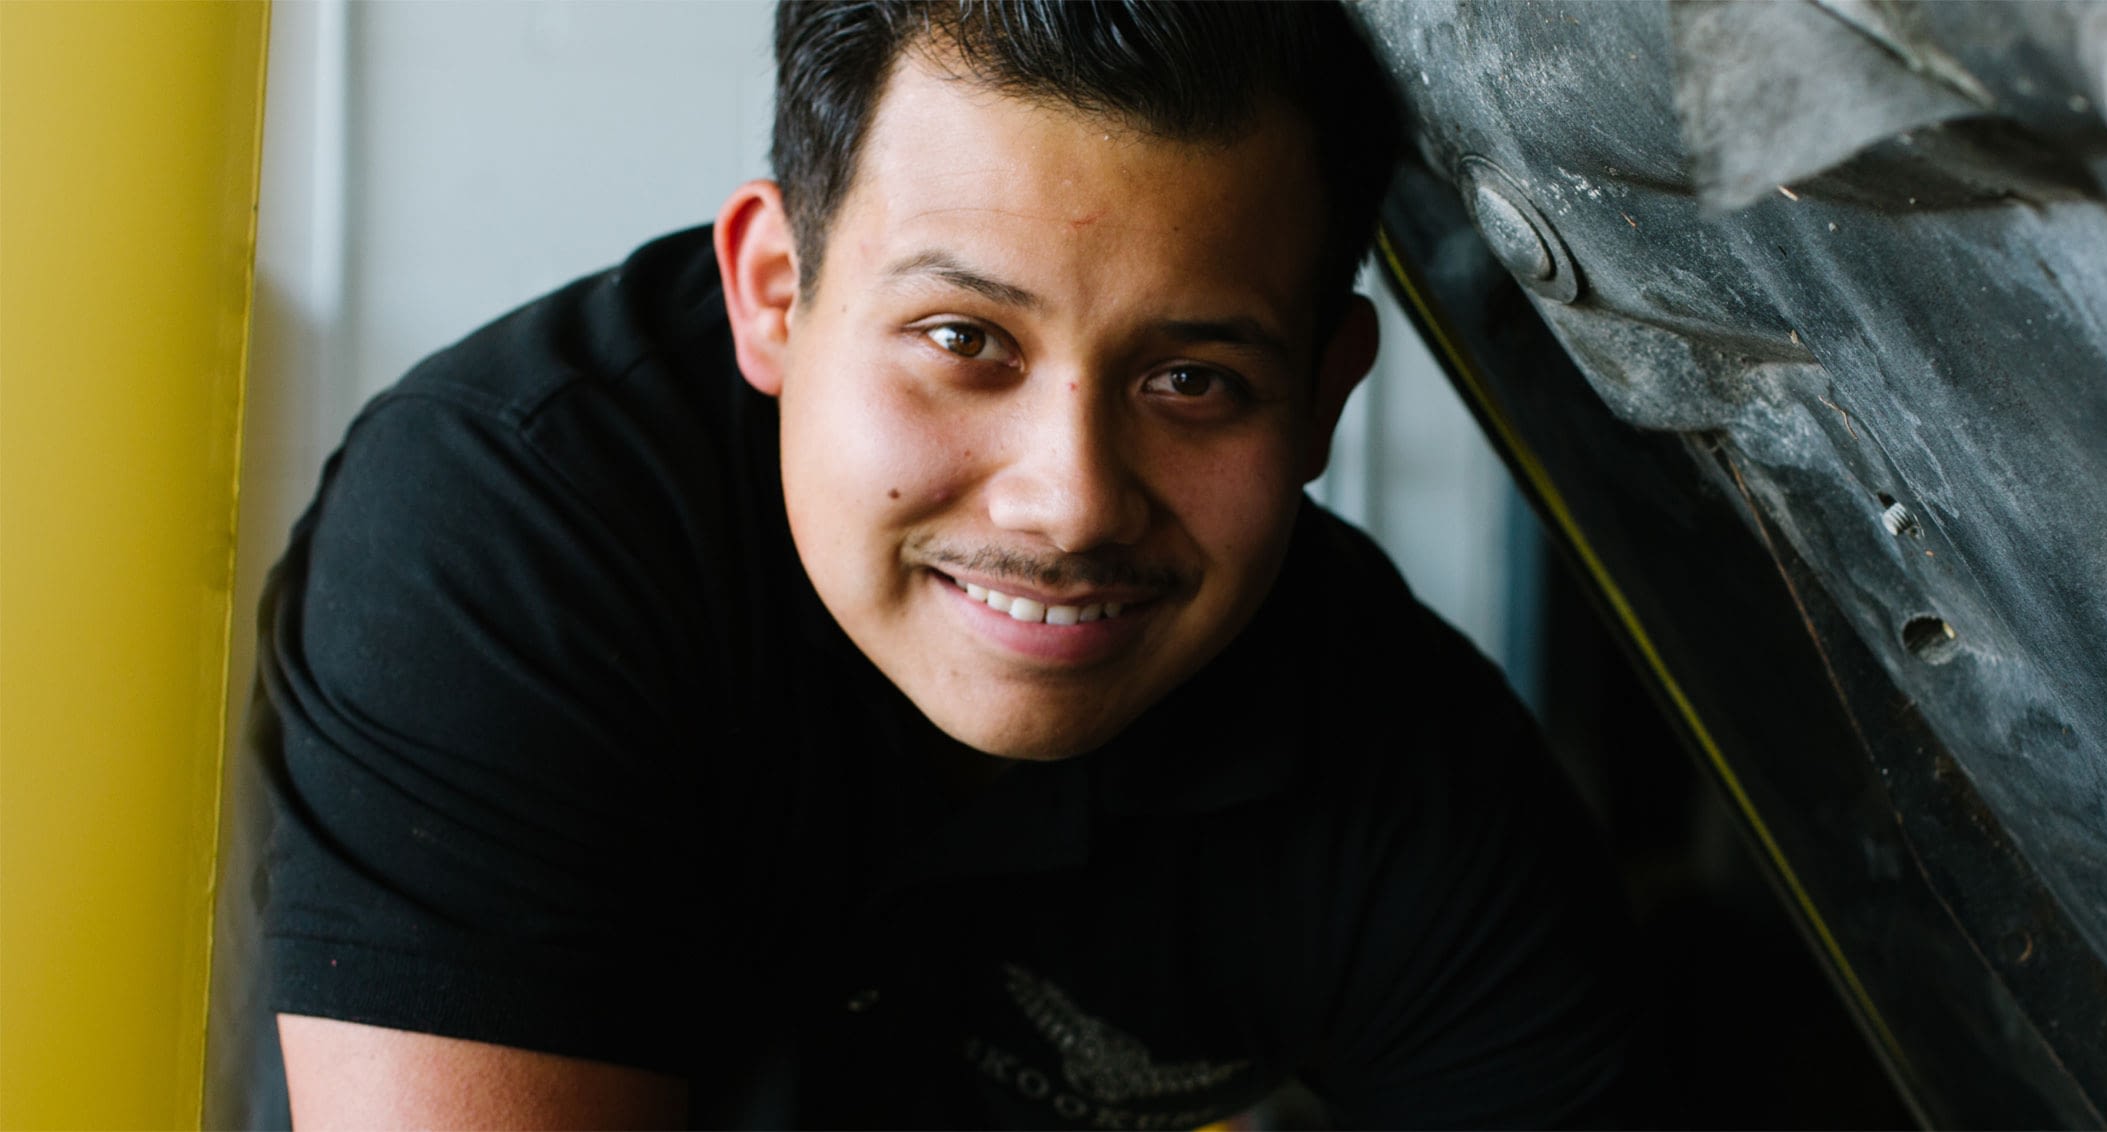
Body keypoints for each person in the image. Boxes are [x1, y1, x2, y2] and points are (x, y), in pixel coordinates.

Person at [259, 1, 1632, 1126]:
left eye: (1192, 379)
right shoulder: (513, 545)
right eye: (967, 341)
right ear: (776, 294)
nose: (1070, 503)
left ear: (1323, 397)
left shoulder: (1410, 777)